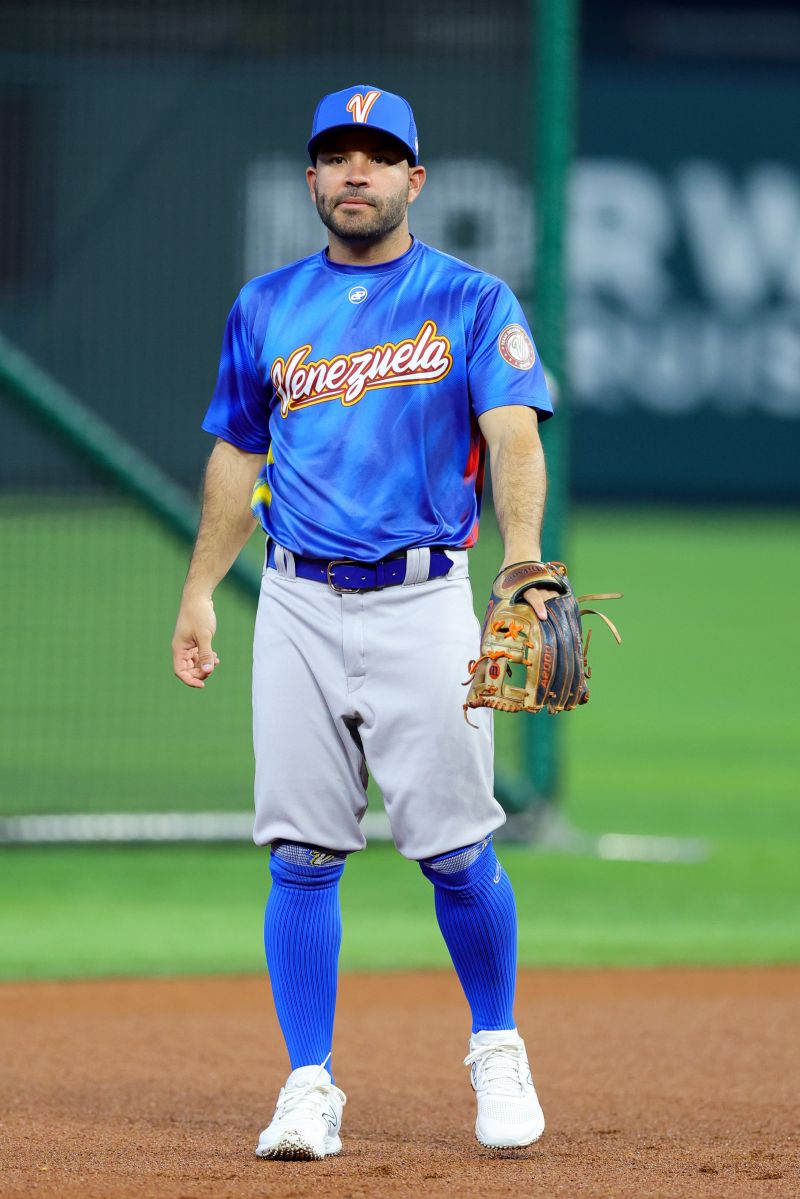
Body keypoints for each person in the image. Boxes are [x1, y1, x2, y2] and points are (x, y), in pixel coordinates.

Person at [172, 84, 557, 1160]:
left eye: (377, 156)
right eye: (336, 155)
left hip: (424, 597)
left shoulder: (471, 298)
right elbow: (237, 453)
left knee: (452, 848)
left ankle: (495, 1042)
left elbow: (513, 432)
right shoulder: (264, 306)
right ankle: (307, 1083)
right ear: (311, 178)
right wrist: (202, 587)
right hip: (293, 598)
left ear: (412, 180)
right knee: (298, 853)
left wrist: (519, 557)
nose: (355, 171)